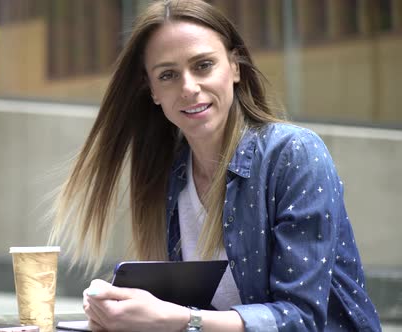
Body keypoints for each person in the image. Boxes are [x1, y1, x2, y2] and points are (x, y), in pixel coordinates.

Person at [49, 0, 381, 331]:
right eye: (168, 75)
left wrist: (181, 319)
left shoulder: (294, 154)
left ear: (234, 67)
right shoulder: (169, 175)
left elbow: (301, 319)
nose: (189, 88)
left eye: (204, 65)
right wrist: (120, 311)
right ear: (152, 90)